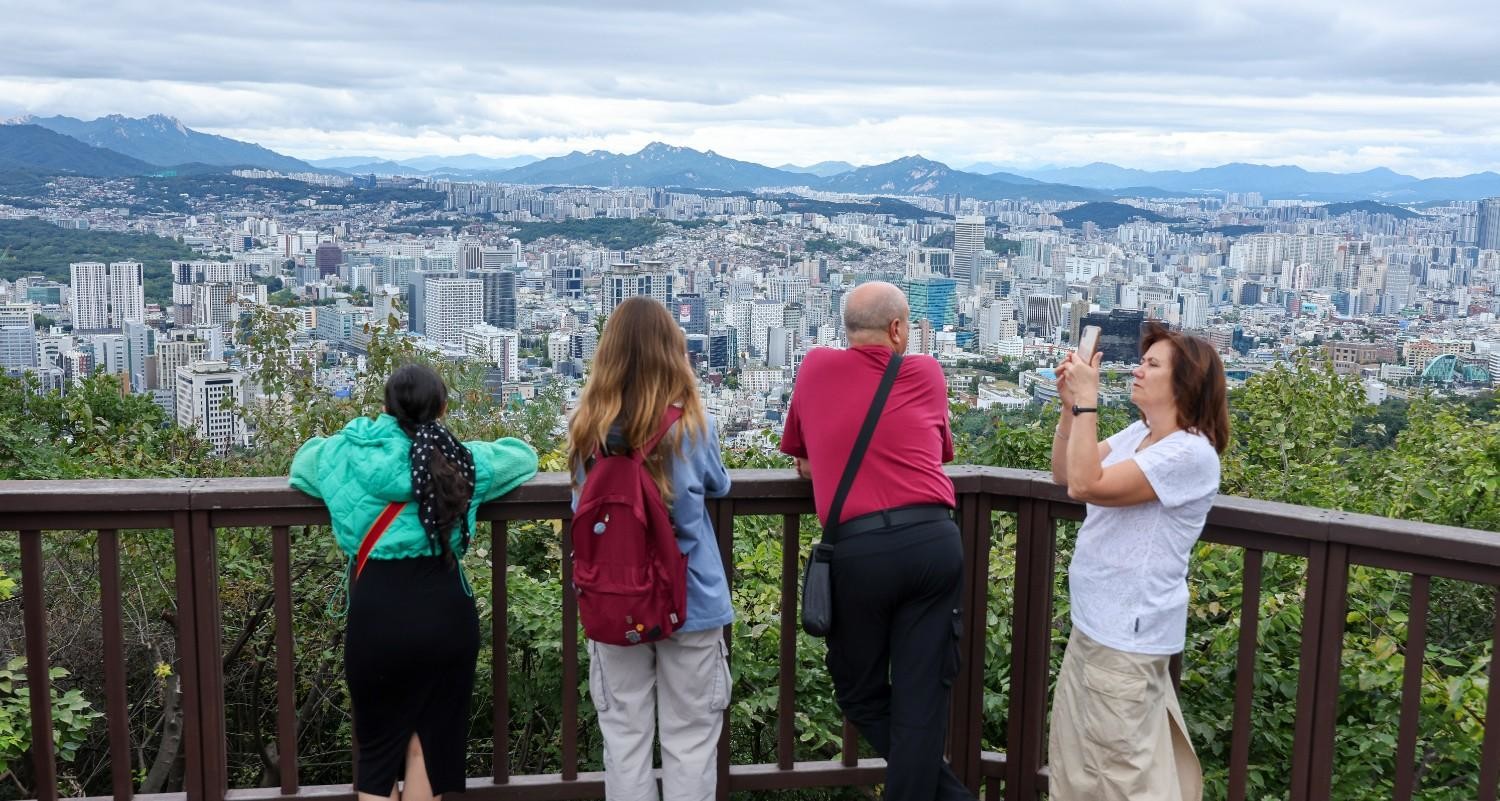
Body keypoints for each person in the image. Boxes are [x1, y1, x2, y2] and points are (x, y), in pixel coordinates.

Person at [290, 364, 539, 801]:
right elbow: (523, 457)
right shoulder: (459, 460)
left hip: (376, 615)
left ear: (385, 408)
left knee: (378, 753)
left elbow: (303, 461)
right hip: (443, 613)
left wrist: (357, 435)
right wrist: (457, 442)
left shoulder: (345, 456)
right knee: (430, 749)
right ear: (441, 408)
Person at [779, 281, 974, 801]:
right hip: (933, 544)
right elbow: (939, 452)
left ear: (847, 329)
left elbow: (802, 460)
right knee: (921, 700)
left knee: (861, 695)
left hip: (860, 553)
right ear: (896, 329)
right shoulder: (927, 372)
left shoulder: (816, 367)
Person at [1047, 321, 1229, 801]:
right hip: (1095, 627)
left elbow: (1088, 485)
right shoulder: (1140, 434)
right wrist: (1071, 407)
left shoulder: (1189, 454)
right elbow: (1067, 473)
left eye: (1152, 364)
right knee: (1078, 769)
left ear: (1184, 383)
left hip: (1126, 639)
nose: (1137, 369)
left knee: (1120, 780)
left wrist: (1089, 400)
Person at [568, 296, 733, 801]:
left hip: (614, 598)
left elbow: (582, 505)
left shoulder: (587, 428)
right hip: (690, 597)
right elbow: (717, 485)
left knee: (625, 738)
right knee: (690, 739)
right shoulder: (688, 424)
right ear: (672, 351)